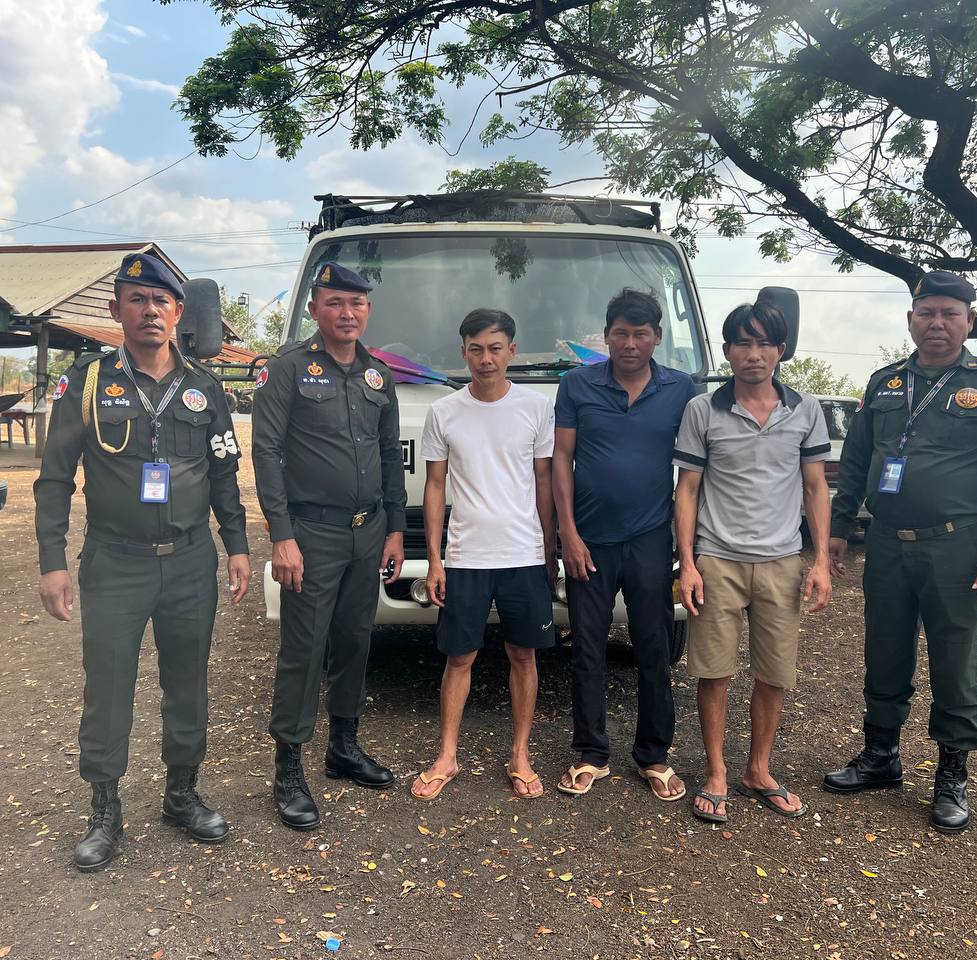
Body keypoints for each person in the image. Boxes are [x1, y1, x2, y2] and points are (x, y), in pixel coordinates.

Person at [35, 253, 251, 872]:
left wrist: (237, 545)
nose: (150, 310)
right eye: (137, 299)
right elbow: (54, 478)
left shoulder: (204, 387)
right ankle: (105, 810)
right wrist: (52, 561)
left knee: (188, 681)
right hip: (115, 563)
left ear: (178, 312)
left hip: (189, 561)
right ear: (116, 310)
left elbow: (223, 473)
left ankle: (182, 795)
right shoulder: (86, 383)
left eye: (161, 301)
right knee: (107, 686)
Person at [823, 270, 977, 834]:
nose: (937, 323)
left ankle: (951, 774)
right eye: (927, 313)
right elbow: (856, 459)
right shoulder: (885, 382)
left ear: (969, 321)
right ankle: (881, 756)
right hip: (888, 543)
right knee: (884, 649)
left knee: (954, 660)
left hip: (956, 546)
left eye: (949, 313)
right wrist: (839, 526)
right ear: (910, 319)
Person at [251, 262, 406, 831]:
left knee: (354, 641)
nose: (347, 313)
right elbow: (266, 452)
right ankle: (289, 769)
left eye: (356, 303)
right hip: (311, 534)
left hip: (369, 531)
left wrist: (394, 528)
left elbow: (389, 455)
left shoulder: (378, 376)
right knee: (304, 649)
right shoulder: (287, 369)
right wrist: (281, 535)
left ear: (368, 310)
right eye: (335, 302)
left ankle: (343, 747)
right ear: (315, 308)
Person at [673, 301, 833, 824]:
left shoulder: (805, 410)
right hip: (717, 560)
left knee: (775, 673)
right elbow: (687, 489)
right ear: (727, 350)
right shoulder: (702, 410)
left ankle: (758, 770)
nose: (754, 353)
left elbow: (815, 487)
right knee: (713, 671)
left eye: (764, 343)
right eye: (743, 343)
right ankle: (717, 772)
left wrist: (820, 562)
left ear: (781, 350)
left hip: (782, 561)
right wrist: (688, 563)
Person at [552, 288, 697, 801]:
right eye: (620, 333)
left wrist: (688, 544)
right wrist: (568, 534)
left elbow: (694, 468)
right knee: (587, 649)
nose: (630, 343)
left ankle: (654, 756)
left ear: (657, 337)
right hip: (589, 542)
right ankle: (591, 754)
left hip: (652, 539)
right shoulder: (577, 385)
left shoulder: (681, 389)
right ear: (606, 336)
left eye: (640, 334)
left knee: (654, 648)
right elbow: (561, 460)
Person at [409, 309, 557, 801]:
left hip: (522, 553)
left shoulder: (536, 407)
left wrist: (548, 548)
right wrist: (435, 559)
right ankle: (447, 755)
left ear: (512, 351)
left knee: (523, 654)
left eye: (495, 348)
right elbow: (434, 486)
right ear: (464, 352)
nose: (486, 359)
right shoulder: (444, 412)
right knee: (459, 657)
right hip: (465, 555)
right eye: (476, 349)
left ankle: (520, 754)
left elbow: (543, 481)